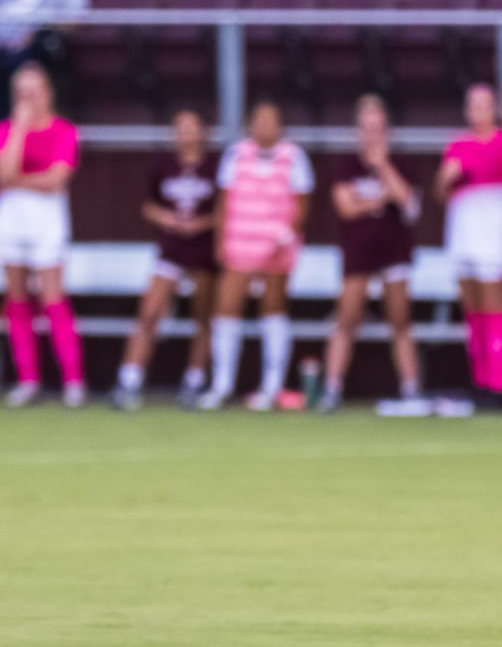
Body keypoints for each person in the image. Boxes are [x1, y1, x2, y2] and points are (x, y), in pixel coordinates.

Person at [199, 102, 313, 411]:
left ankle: (271, 387)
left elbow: (301, 203)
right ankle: (221, 385)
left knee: (273, 310)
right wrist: (220, 243)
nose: (264, 126)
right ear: (250, 125)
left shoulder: (294, 157)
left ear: (280, 126)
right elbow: (223, 203)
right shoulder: (235, 155)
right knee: (226, 309)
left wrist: (287, 235)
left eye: (270, 120)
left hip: (276, 247)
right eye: (259, 120)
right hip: (240, 244)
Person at [0, 64, 84, 406]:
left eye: (34, 91)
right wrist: (19, 130)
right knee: (16, 299)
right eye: (22, 93)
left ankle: (73, 380)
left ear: (48, 93)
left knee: (53, 297)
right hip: (10, 218)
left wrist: (19, 182)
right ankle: (28, 380)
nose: (28, 99)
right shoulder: (3, 131)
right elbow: (2, 174)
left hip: (47, 219)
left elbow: (56, 180)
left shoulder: (64, 130)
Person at [322, 95, 422, 412]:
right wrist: (379, 201)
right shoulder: (346, 166)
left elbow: (409, 204)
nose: (372, 135)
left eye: (377, 128)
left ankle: (410, 389)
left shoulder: (401, 164)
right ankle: (332, 387)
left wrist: (383, 168)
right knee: (346, 319)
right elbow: (345, 207)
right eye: (366, 128)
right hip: (358, 252)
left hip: (394, 251)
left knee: (400, 321)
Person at [114, 110, 219, 410]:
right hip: (171, 249)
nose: (185, 133)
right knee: (149, 313)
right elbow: (148, 206)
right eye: (179, 128)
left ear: (204, 132)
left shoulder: (214, 167)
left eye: (191, 127)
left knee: (202, 318)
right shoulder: (162, 165)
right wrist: (167, 218)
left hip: (203, 253)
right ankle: (129, 380)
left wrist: (202, 223)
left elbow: (225, 208)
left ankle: (194, 381)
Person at [437, 84, 502, 407]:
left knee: (495, 308)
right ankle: (480, 381)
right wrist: (445, 178)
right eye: (473, 104)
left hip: (495, 233)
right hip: (464, 233)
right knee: (473, 311)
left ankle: (500, 386)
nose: (479, 110)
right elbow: (440, 194)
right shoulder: (456, 146)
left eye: (485, 104)